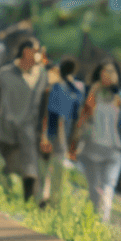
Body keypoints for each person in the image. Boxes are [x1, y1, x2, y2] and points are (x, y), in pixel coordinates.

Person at [0, 37, 54, 204]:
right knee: (9, 168)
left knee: (30, 167)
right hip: (6, 130)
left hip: (30, 130)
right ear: (26, 52)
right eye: (36, 51)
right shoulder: (5, 74)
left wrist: (45, 132)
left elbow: (45, 105)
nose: (39, 55)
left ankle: (31, 203)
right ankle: (5, 201)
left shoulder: (42, 75)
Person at [76, 62, 121, 221]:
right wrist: (93, 92)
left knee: (108, 186)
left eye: (112, 72)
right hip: (92, 149)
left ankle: (102, 224)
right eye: (105, 71)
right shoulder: (91, 93)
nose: (108, 75)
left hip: (114, 149)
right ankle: (92, 221)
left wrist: (119, 103)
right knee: (94, 189)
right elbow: (83, 117)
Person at [42, 58, 86, 200]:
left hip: (52, 134)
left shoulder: (57, 87)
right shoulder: (76, 91)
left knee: (45, 168)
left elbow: (56, 116)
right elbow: (76, 120)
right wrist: (71, 144)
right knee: (58, 171)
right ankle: (52, 200)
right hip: (63, 137)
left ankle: (43, 198)